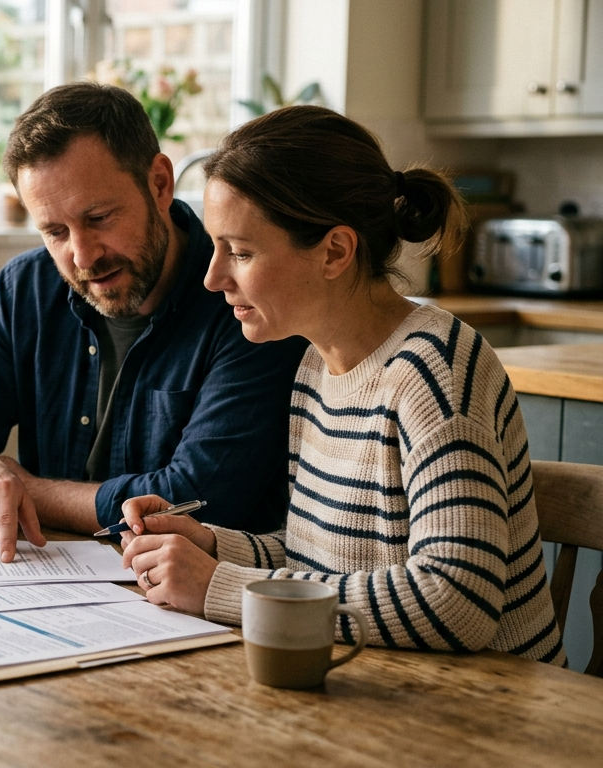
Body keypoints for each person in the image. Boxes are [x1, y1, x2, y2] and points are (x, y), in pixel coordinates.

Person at [119, 105, 563, 664]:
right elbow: (321, 561)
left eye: (242, 251)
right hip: (385, 686)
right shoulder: (313, 368)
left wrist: (221, 588)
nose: (213, 277)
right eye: (215, 246)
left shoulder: (436, 370)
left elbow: (458, 600)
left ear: (334, 251)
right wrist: (209, 544)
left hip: (495, 714)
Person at [0, 82, 309, 563]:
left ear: (159, 183)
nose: (82, 255)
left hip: (201, 596)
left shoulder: (244, 300)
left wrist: (25, 489)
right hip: (45, 585)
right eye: (55, 232)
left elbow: (196, 498)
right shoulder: (25, 288)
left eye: (98, 218)